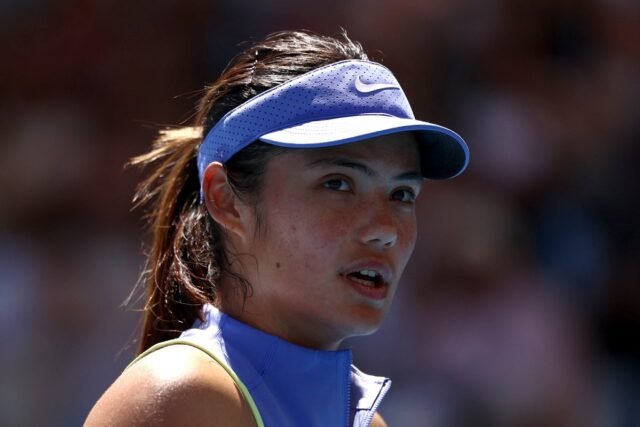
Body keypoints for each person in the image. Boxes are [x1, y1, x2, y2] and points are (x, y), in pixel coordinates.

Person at [85, 30, 469, 427]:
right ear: (225, 198)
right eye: (337, 183)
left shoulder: (369, 422)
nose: (386, 228)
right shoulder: (181, 395)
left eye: (402, 194)